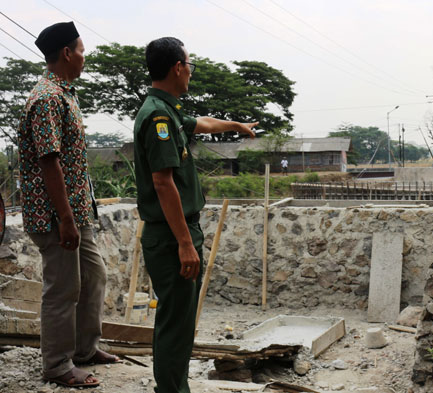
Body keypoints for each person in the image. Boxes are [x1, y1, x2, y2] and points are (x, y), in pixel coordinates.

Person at [133, 37, 257, 393]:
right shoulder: (158, 115)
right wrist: (185, 244)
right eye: (190, 65)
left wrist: (236, 125)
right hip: (173, 235)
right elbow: (163, 182)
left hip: (177, 232)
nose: (191, 72)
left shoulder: (166, 109)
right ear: (177, 67)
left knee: (179, 319)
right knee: (176, 323)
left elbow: (201, 123)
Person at [16, 21, 119, 388]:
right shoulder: (46, 98)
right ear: (66, 53)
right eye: (81, 50)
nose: (84, 57)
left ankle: (84, 349)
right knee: (63, 288)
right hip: (55, 216)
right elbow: (49, 161)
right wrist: (65, 218)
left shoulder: (65, 94)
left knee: (94, 276)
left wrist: (76, 215)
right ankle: (57, 365)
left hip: (76, 211)